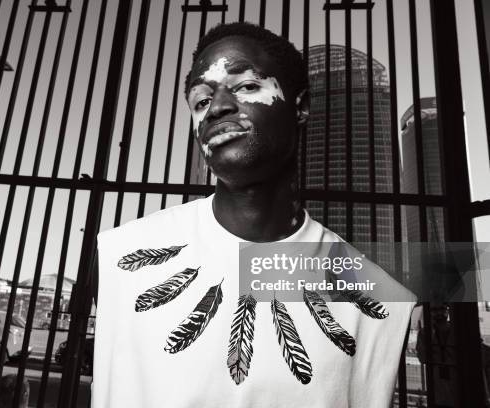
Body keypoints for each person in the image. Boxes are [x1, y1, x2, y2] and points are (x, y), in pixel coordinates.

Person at [92, 22, 415, 408]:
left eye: (246, 86)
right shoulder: (120, 255)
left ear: (300, 106)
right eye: (200, 100)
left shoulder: (378, 299)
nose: (218, 108)